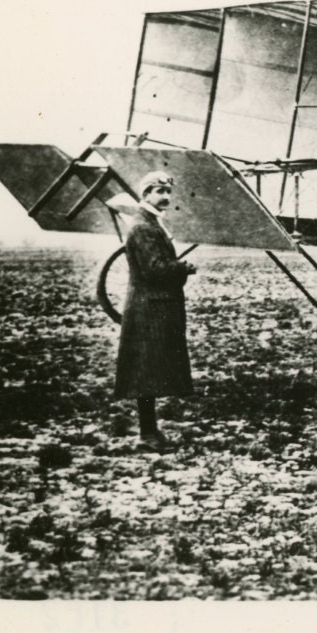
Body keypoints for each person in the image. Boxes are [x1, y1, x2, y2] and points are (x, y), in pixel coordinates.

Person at [112, 172, 197, 450]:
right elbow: (154, 269)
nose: (166, 197)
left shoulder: (148, 223)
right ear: (145, 194)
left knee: (148, 372)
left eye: (168, 191)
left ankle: (150, 431)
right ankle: (147, 435)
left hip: (152, 307)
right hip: (150, 309)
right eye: (159, 191)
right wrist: (184, 268)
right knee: (146, 373)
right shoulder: (144, 227)